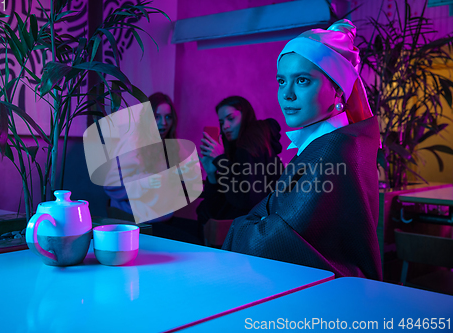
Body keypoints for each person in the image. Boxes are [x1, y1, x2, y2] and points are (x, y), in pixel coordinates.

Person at [222, 19, 382, 280]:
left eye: (303, 81)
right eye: (282, 81)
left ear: (337, 89)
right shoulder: (339, 140)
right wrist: (265, 217)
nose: (287, 94)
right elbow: (277, 215)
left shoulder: (333, 151)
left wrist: (244, 224)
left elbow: (265, 244)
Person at [104, 93, 202, 244]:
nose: (163, 123)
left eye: (168, 117)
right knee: (193, 243)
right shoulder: (133, 143)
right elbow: (111, 184)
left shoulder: (169, 145)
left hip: (161, 218)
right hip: (137, 222)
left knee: (200, 232)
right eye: (157, 117)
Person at [197, 96, 284, 224]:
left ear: (245, 115)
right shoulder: (236, 149)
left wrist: (221, 160)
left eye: (231, 118)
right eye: (221, 122)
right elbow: (220, 201)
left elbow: (249, 200)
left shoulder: (250, 143)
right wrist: (211, 174)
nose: (225, 126)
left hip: (259, 227)